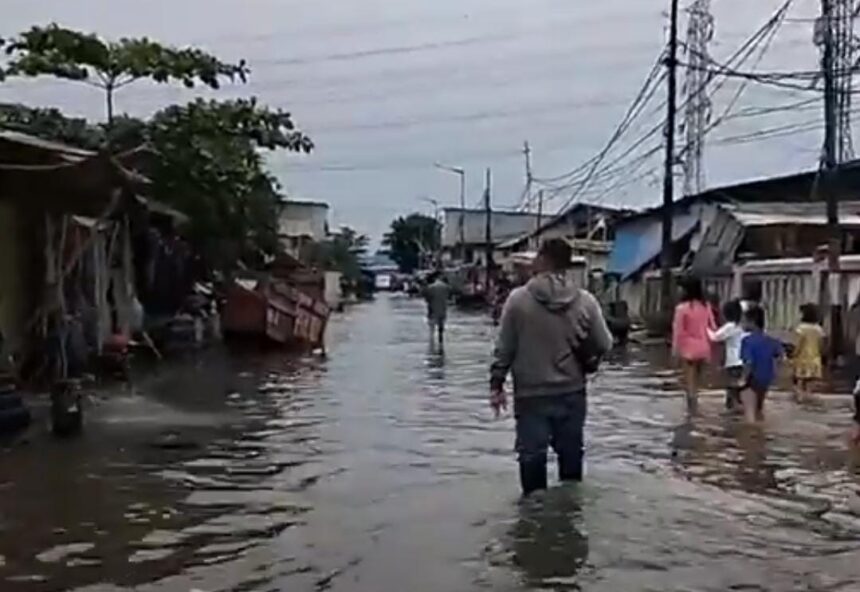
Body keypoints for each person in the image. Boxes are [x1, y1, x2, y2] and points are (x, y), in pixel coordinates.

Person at [490, 238, 613, 495]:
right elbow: (605, 343)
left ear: (544, 260)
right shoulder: (585, 301)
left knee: (531, 458)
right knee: (571, 459)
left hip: (531, 394)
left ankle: (534, 523)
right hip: (572, 391)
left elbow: (505, 348)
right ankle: (569, 521)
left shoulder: (518, 300)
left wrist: (497, 383)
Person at [671, 276, 715, 412]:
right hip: (703, 349)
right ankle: (696, 410)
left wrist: (674, 352)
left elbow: (678, 331)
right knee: (697, 384)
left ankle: (692, 415)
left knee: (690, 386)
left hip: (688, 350)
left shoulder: (681, 309)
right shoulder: (706, 306)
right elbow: (712, 327)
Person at [740, 306, 783, 424]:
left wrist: (743, 379)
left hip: (752, 379)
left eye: (743, 321)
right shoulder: (771, 340)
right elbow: (780, 357)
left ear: (752, 322)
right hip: (766, 378)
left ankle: (752, 437)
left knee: (749, 412)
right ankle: (761, 433)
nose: (741, 324)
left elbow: (748, 362)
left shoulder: (747, 341)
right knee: (759, 408)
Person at [708, 299, 746, 411]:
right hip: (743, 361)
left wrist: (706, 329)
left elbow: (715, 337)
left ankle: (733, 410)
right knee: (739, 387)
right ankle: (739, 408)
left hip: (733, 362)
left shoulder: (730, 326)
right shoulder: (741, 326)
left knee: (732, 387)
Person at [792, 304, 826, 402]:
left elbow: (798, 344)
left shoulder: (801, 329)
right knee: (810, 383)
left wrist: (793, 355)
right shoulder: (819, 329)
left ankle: (800, 398)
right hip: (815, 358)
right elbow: (822, 345)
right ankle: (808, 398)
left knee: (799, 381)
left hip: (801, 359)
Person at [423, 272, 449, 345]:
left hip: (433, 309)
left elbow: (426, 298)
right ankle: (441, 339)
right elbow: (448, 295)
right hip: (443, 308)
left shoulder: (431, 287)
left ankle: (432, 343)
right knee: (441, 325)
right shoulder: (445, 286)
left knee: (432, 328)